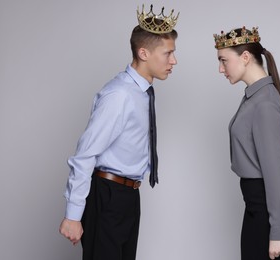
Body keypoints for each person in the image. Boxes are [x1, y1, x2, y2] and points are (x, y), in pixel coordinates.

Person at [59, 4, 179, 260]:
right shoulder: (119, 95)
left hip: (129, 196)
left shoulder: (142, 92)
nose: (174, 61)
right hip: (107, 196)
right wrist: (73, 214)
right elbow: (85, 154)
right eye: (168, 53)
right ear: (144, 53)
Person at [213, 26, 280, 260]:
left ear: (245, 57)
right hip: (257, 204)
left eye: (224, 61)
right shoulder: (253, 96)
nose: (220, 69)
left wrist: (277, 231)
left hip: (270, 207)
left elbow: (275, 172)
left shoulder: (263, 103)